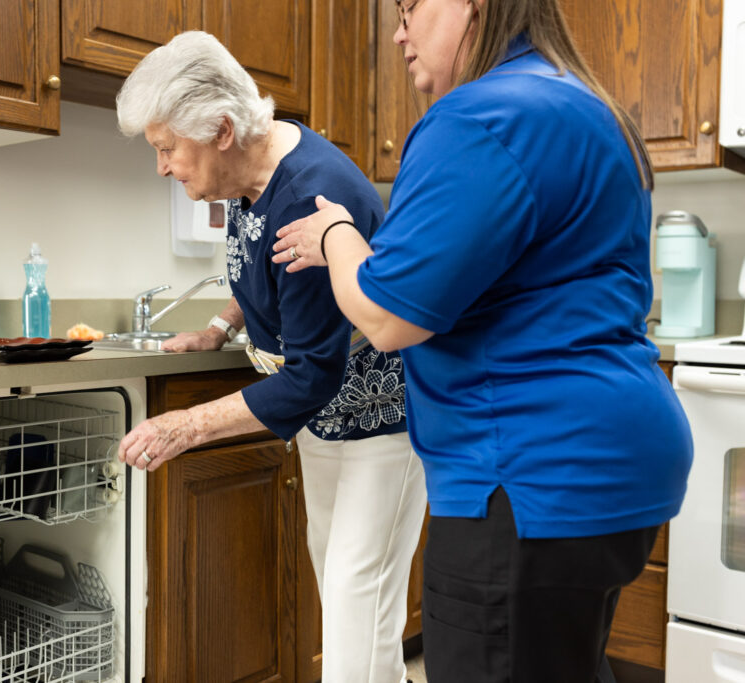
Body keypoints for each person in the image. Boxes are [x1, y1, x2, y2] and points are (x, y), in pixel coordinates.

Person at [271, 1, 693, 682]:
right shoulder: (587, 106)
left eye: (409, 7)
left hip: (526, 472)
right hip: (615, 462)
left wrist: (337, 235)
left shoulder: (478, 117)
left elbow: (387, 315)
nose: (398, 31)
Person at [114, 30, 427, 683]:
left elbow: (313, 373)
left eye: (167, 149)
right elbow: (261, 270)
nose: (163, 166)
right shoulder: (248, 175)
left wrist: (186, 425)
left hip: (379, 420)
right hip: (322, 420)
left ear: (222, 130)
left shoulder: (311, 194)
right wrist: (220, 326)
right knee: (345, 593)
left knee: (356, 605)